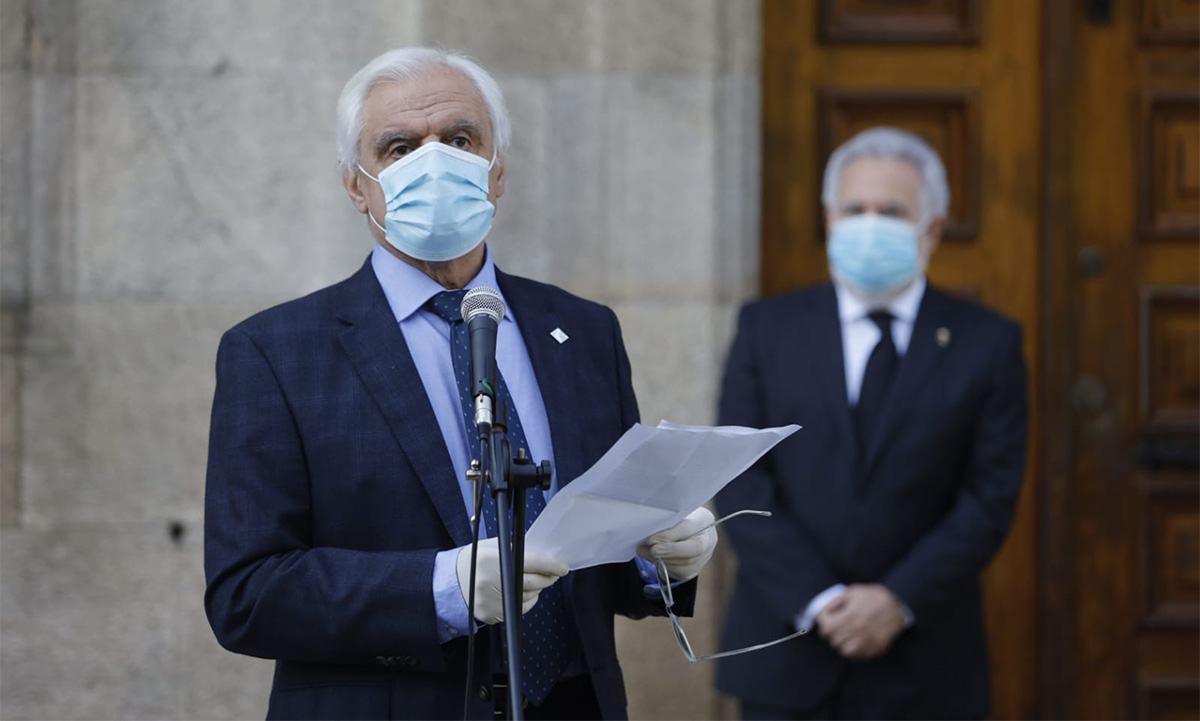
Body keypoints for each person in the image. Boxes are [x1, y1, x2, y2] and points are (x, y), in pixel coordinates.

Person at [203, 46, 717, 721]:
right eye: (399, 148)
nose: (434, 162)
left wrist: (662, 563)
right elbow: (248, 594)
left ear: (496, 170)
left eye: (460, 139)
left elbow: (604, 550)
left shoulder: (583, 329)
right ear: (356, 186)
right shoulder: (276, 353)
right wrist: (440, 586)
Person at [713, 127, 1027, 720]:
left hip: (926, 662)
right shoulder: (767, 329)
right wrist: (822, 600)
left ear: (931, 228)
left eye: (892, 211)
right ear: (830, 219)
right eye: (856, 209)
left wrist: (897, 599)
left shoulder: (987, 343)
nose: (870, 223)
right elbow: (738, 476)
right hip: (787, 654)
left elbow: (989, 497)